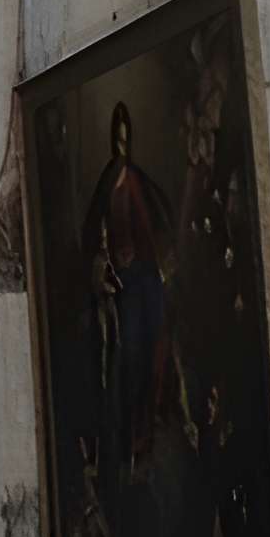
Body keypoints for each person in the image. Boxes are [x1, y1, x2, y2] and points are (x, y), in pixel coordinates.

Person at [80, 101, 179, 469]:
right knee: (131, 360)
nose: (123, 148)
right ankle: (131, 444)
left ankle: (147, 438)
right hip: (125, 289)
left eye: (127, 141)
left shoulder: (138, 180)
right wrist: (105, 269)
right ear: (112, 142)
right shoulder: (109, 183)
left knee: (154, 353)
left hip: (145, 281)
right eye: (118, 141)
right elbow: (95, 238)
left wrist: (159, 265)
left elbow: (157, 226)